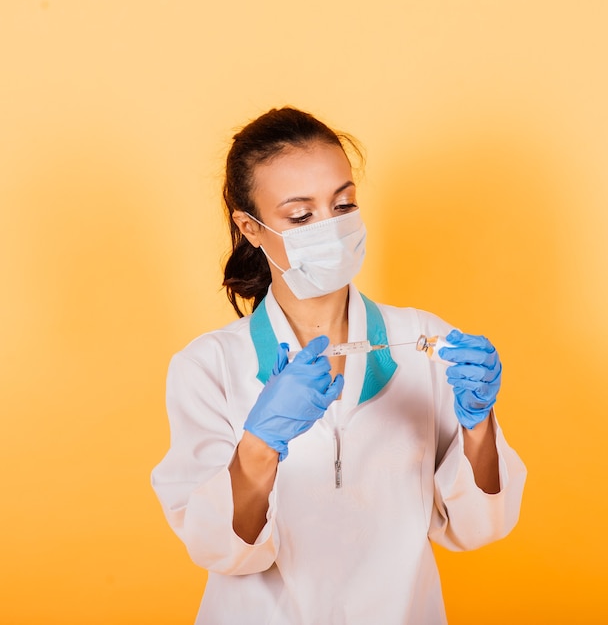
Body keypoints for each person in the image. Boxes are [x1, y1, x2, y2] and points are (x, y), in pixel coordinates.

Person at [151, 107, 527, 624]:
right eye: (301, 216)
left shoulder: (422, 342)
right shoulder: (209, 367)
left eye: (344, 204)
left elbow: (474, 527)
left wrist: (478, 425)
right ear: (250, 228)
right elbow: (221, 551)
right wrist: (259, 444)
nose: (329, 229)